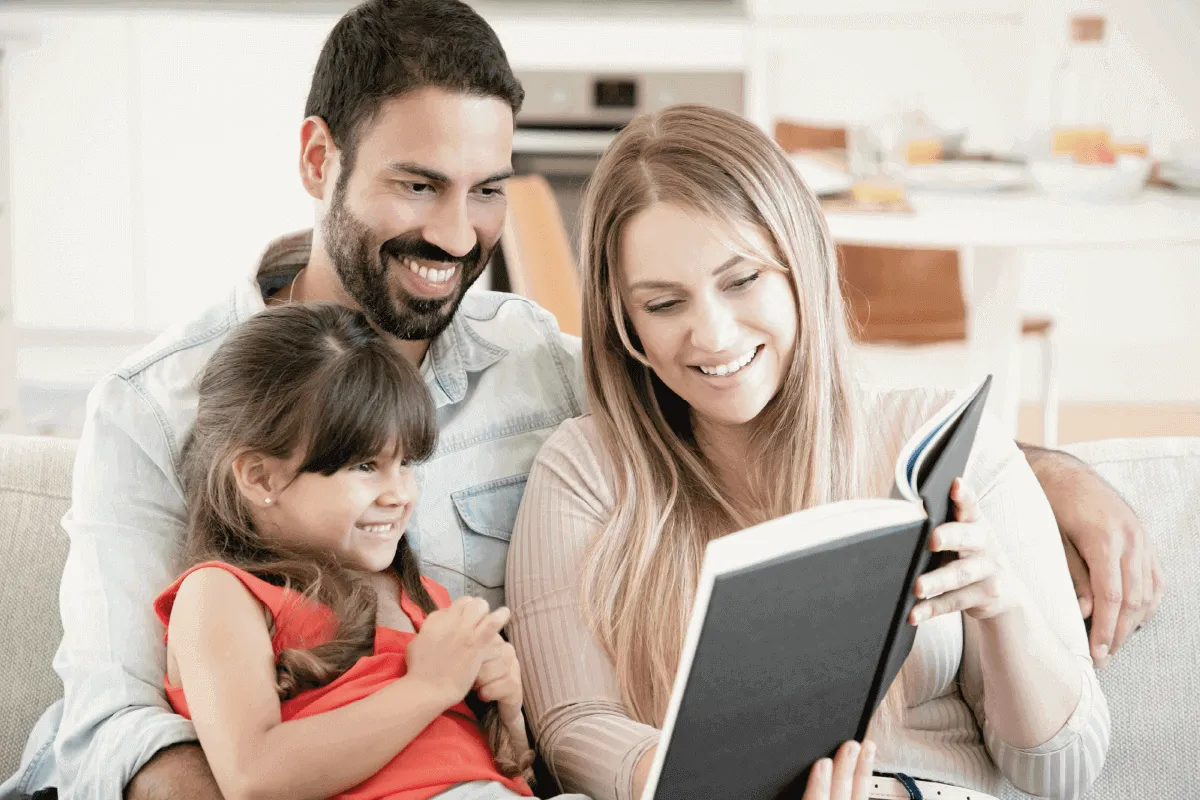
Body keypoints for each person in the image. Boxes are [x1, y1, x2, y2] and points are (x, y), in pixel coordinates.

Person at [0, 0, 1158, 797]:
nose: (456, 235)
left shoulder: (537, 363)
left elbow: (736, 390)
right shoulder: (155, 407)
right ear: (319, 162)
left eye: (488, 189)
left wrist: (1040, 468)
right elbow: (123, 727)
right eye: (415, 185)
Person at [506, 105, 1112, 800]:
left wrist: (1004, 608)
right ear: (626, 325)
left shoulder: (945, 443)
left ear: (800, 265)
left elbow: (1062, 774)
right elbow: (575, 726)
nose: (714, 335)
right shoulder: (586, 470)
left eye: (742, 281)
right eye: (665, 304)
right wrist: (725, 784)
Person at [157, 301, 566, 800]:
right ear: (261, 476)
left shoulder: (422, 597)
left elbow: (503, 773)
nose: (399, 494)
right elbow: (252, 775)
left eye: (407, 464)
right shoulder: (220, 594)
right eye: (366, 467)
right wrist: (427, 688)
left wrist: (505, 711)